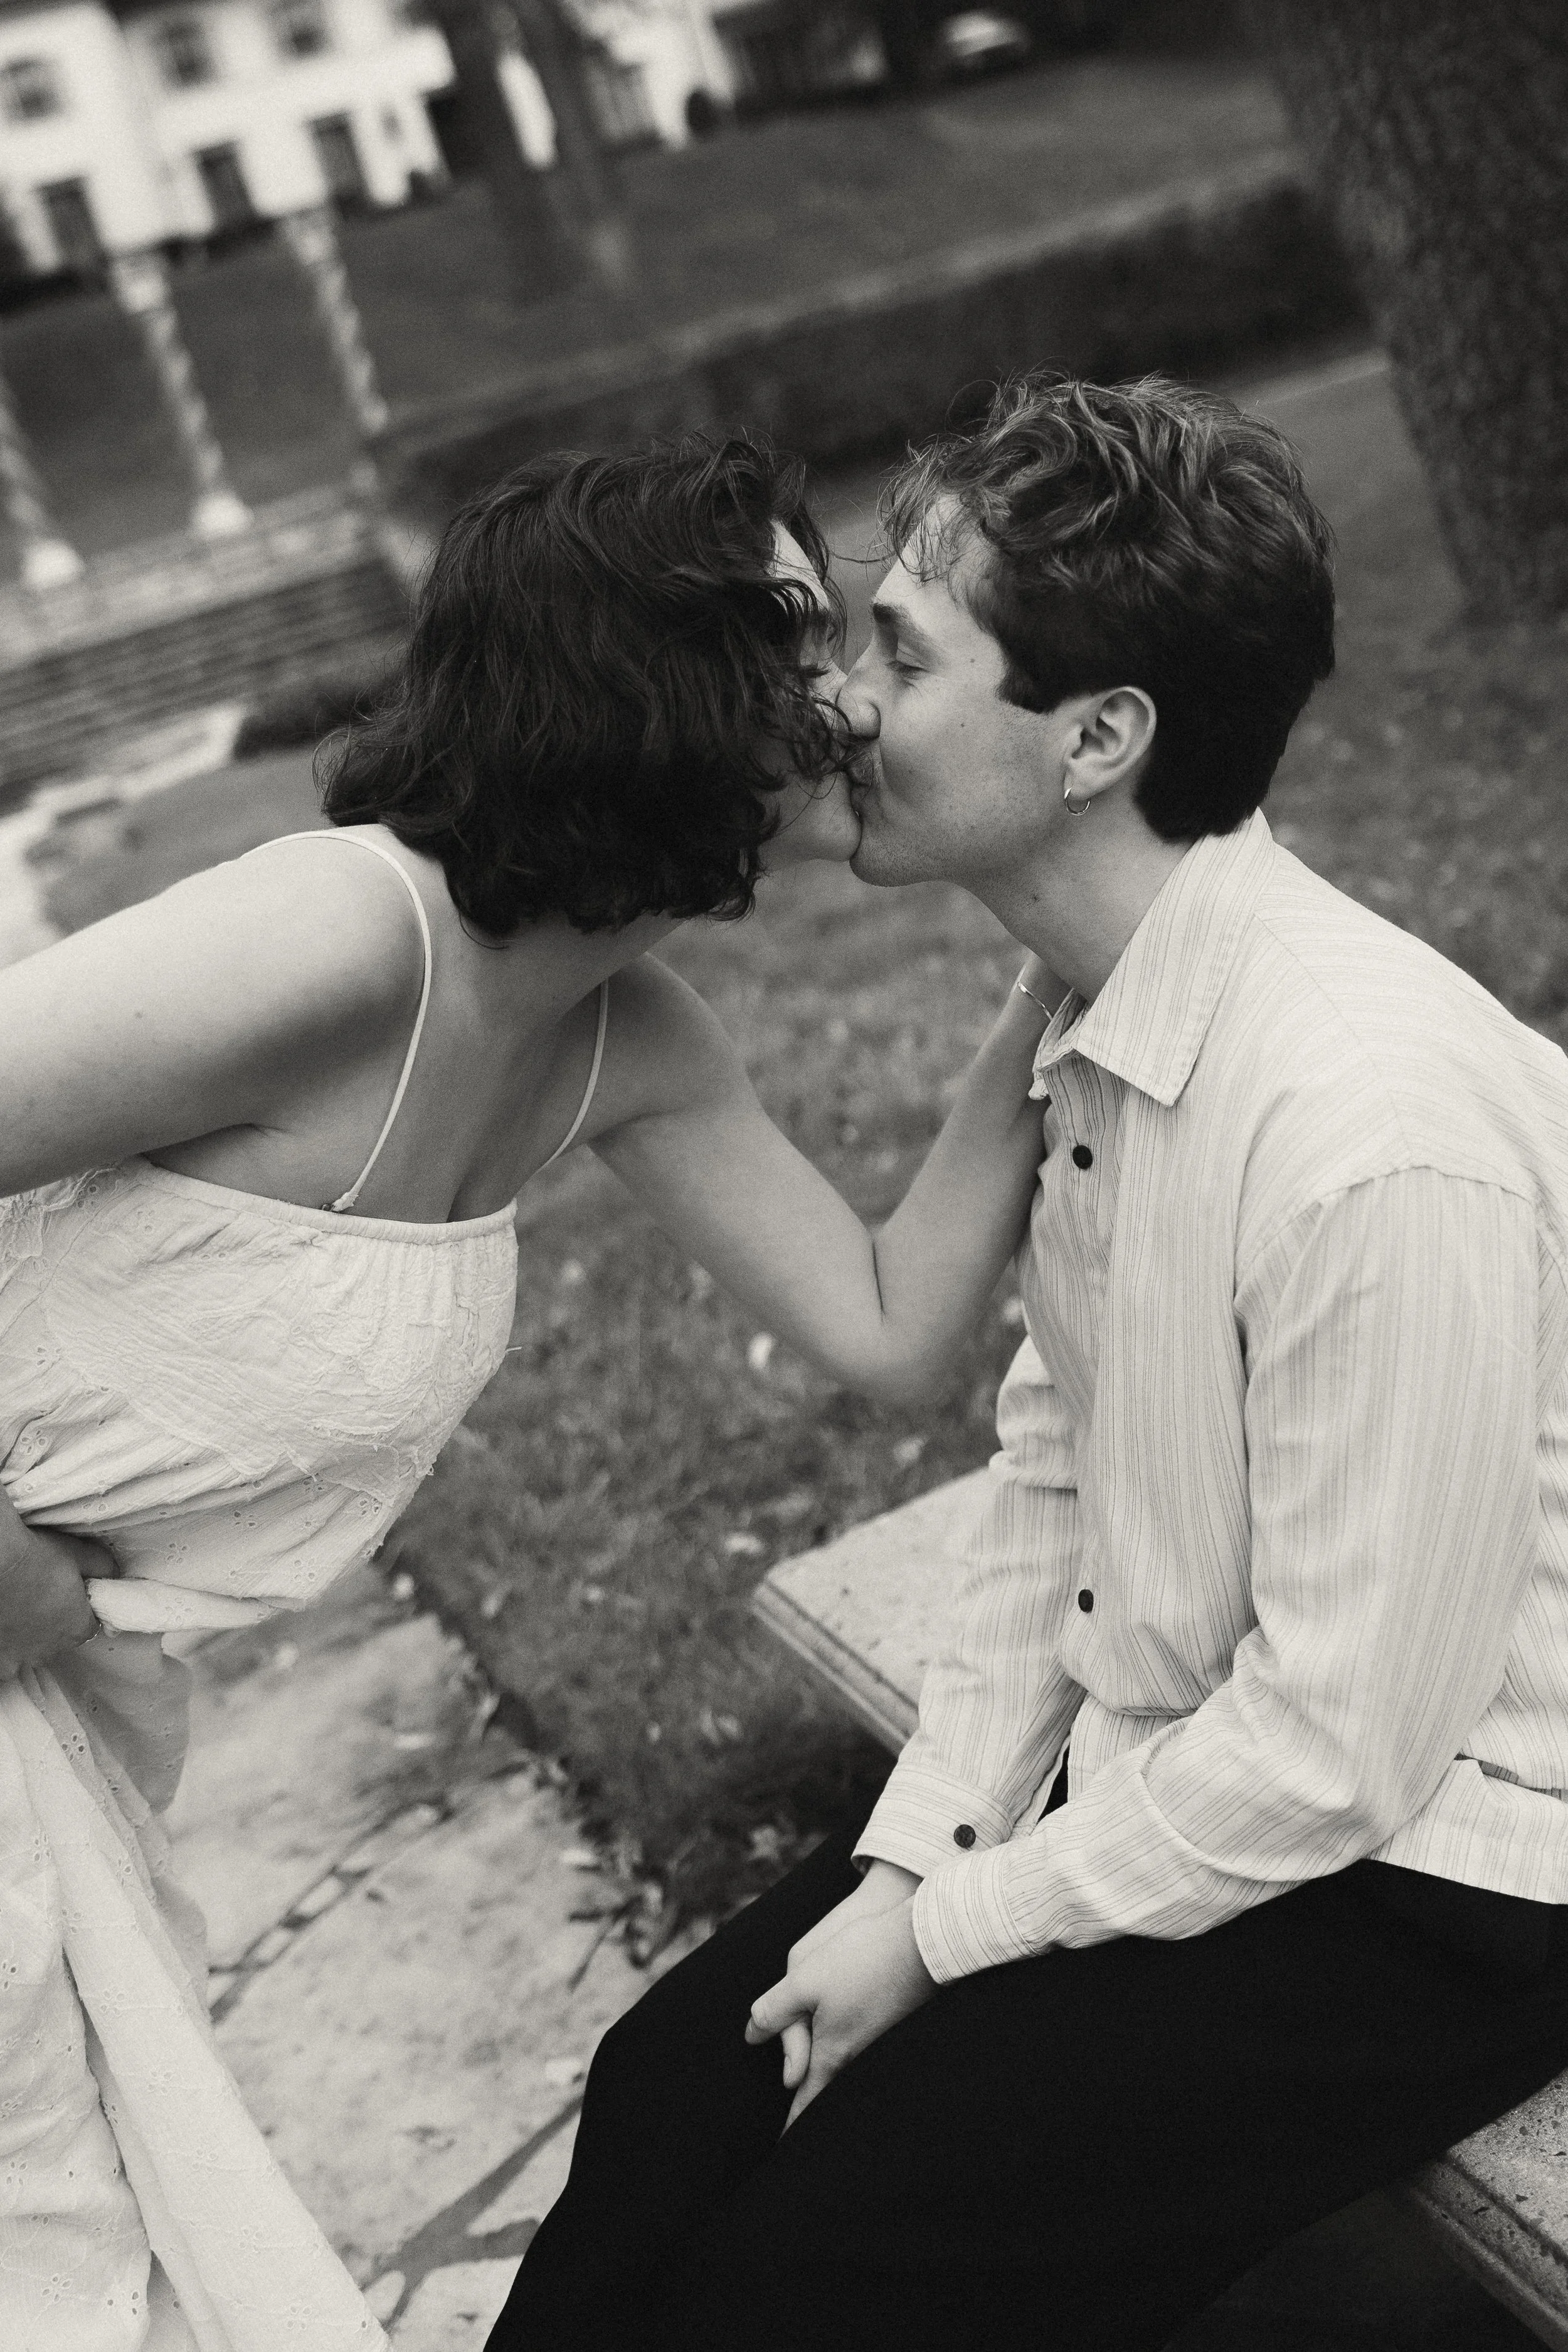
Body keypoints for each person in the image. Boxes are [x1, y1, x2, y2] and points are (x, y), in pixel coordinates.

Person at [492, 373, 1568, 2352]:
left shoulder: (1360, 1125)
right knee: (675, 2092)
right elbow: (1050, 1494)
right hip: (1192, 1747)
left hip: (1449, 1861)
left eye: (894, 650)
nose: (831, 702)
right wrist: (913, 1849)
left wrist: (944, 1928)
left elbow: (1347, 1747)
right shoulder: (1099, 1008)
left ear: (1095, 737)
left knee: (818, 2282)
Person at [0, 437, 1058, 2352]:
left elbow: (894, 1328)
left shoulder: (625, 1038)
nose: (844, 698)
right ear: (640, 681)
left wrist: (1070, 950)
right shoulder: (332, 936)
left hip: (58, 1715)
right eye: (797, 631)